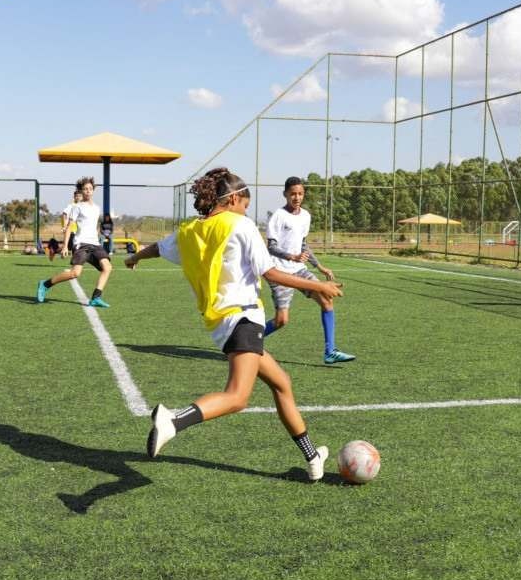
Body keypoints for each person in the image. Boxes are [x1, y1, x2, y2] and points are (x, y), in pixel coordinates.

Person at [124, 167, 343, 482]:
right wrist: (320, 287)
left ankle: (312, 457)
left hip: (222, 324)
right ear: (234, 198)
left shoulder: (191, 230)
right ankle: (173, 421)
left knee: (281, 383)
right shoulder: (241, 224)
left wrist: (135, 258)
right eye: (245, 204)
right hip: (244, 317)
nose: (246, 210)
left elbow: (159, 247)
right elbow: (269, 273)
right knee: (238, 396)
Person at [264, 176, 355, 364]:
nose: (296, 197)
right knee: (281, 320)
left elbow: (303, 245)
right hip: (279, 273)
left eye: (300, 194)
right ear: (285, 194)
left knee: (327, 301)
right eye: (293, 194)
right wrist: (291, 256)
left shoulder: (305, 216)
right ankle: (243, 342)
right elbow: (271, 247)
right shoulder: (278, 216)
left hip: (300, 270)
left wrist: (320, 266)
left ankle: (330, 351)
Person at [36, 177, 112, 308]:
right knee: (75, 273)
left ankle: (96, 298)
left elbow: (93, 226)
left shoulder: (97, 208)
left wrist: (100, 237)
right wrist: (65, 246)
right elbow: (70, 226)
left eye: (90, 189)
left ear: (93, 190)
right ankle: (45, 284)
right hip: (81, 244)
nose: (88, 191)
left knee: (108, 267)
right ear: (81, 191)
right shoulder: (77, 207)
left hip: (95, 244)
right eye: (85, 189)